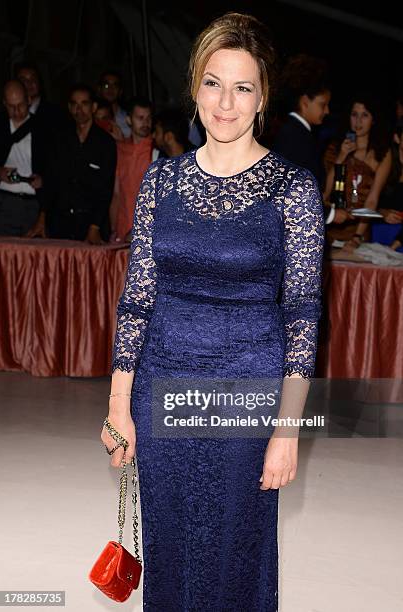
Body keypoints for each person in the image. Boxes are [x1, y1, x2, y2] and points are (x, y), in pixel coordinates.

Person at [102, 12, 324, 611]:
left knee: (234, 552)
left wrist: (287, 429)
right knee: (171, 549)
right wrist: (118, 407)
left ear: (262, 99)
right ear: (194, 88)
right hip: (161, 391)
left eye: (242, 87)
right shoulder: (161, 181)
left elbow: (303, 316)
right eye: (212, 83)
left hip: (246, 397)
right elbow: (137, 299)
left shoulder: (292, 188)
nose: (225, 102)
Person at [27, 84, 116, 243]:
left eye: (84, 104)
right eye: (74, 104)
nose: (79, 109)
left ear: (93, 107)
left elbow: (106, 188)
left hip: (91, 223)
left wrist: (94, 227)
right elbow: (50, 180)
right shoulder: (59, 139)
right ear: (69, 107)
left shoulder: (105, 143)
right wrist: (42, 218)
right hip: (61, 223)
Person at [323, 93, 392, 248]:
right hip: (332, 225)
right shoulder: (335, 148)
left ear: (373, 120)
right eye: (354, 115)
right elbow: (325, 192)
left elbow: (373, 199)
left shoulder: (382, 154)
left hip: (359, 231)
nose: (358, 121)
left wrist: (357, 237)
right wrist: (342, 156)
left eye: (365, 115)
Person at [0, 80, 46, 236]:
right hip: (2, 204)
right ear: (4, 103)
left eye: (21, 105)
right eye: (11, 106)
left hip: (34, 205)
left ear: (29, 100)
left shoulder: (45, 128)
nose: (17, 111)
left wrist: (43, 180)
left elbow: (56, 169)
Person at [272, 54, 331, 184]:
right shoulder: (296, 136)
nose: (327, 111)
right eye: (322, 105)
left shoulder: (292, 131)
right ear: (305, 102)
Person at [109, 97, 156, 242]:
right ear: (129, 120)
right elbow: (116, 193)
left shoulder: (156, 150)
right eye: (140, 118)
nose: (145, 123)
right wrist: (113, 229)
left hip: (148, 232)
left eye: (148, 118)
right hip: (123, 228)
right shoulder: (119, 149)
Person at [15, 61, 67, 131]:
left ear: (39, 81)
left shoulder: (56, 113)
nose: (29, 83)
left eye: (33, 78)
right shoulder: (10, 114)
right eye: (23, 80)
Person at [97, 70, 131, 138]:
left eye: (115, 85)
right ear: (99, 89)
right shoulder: (90, 118)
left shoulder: (129, 119)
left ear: (120, 91)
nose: (110, 89)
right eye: (106, 85)